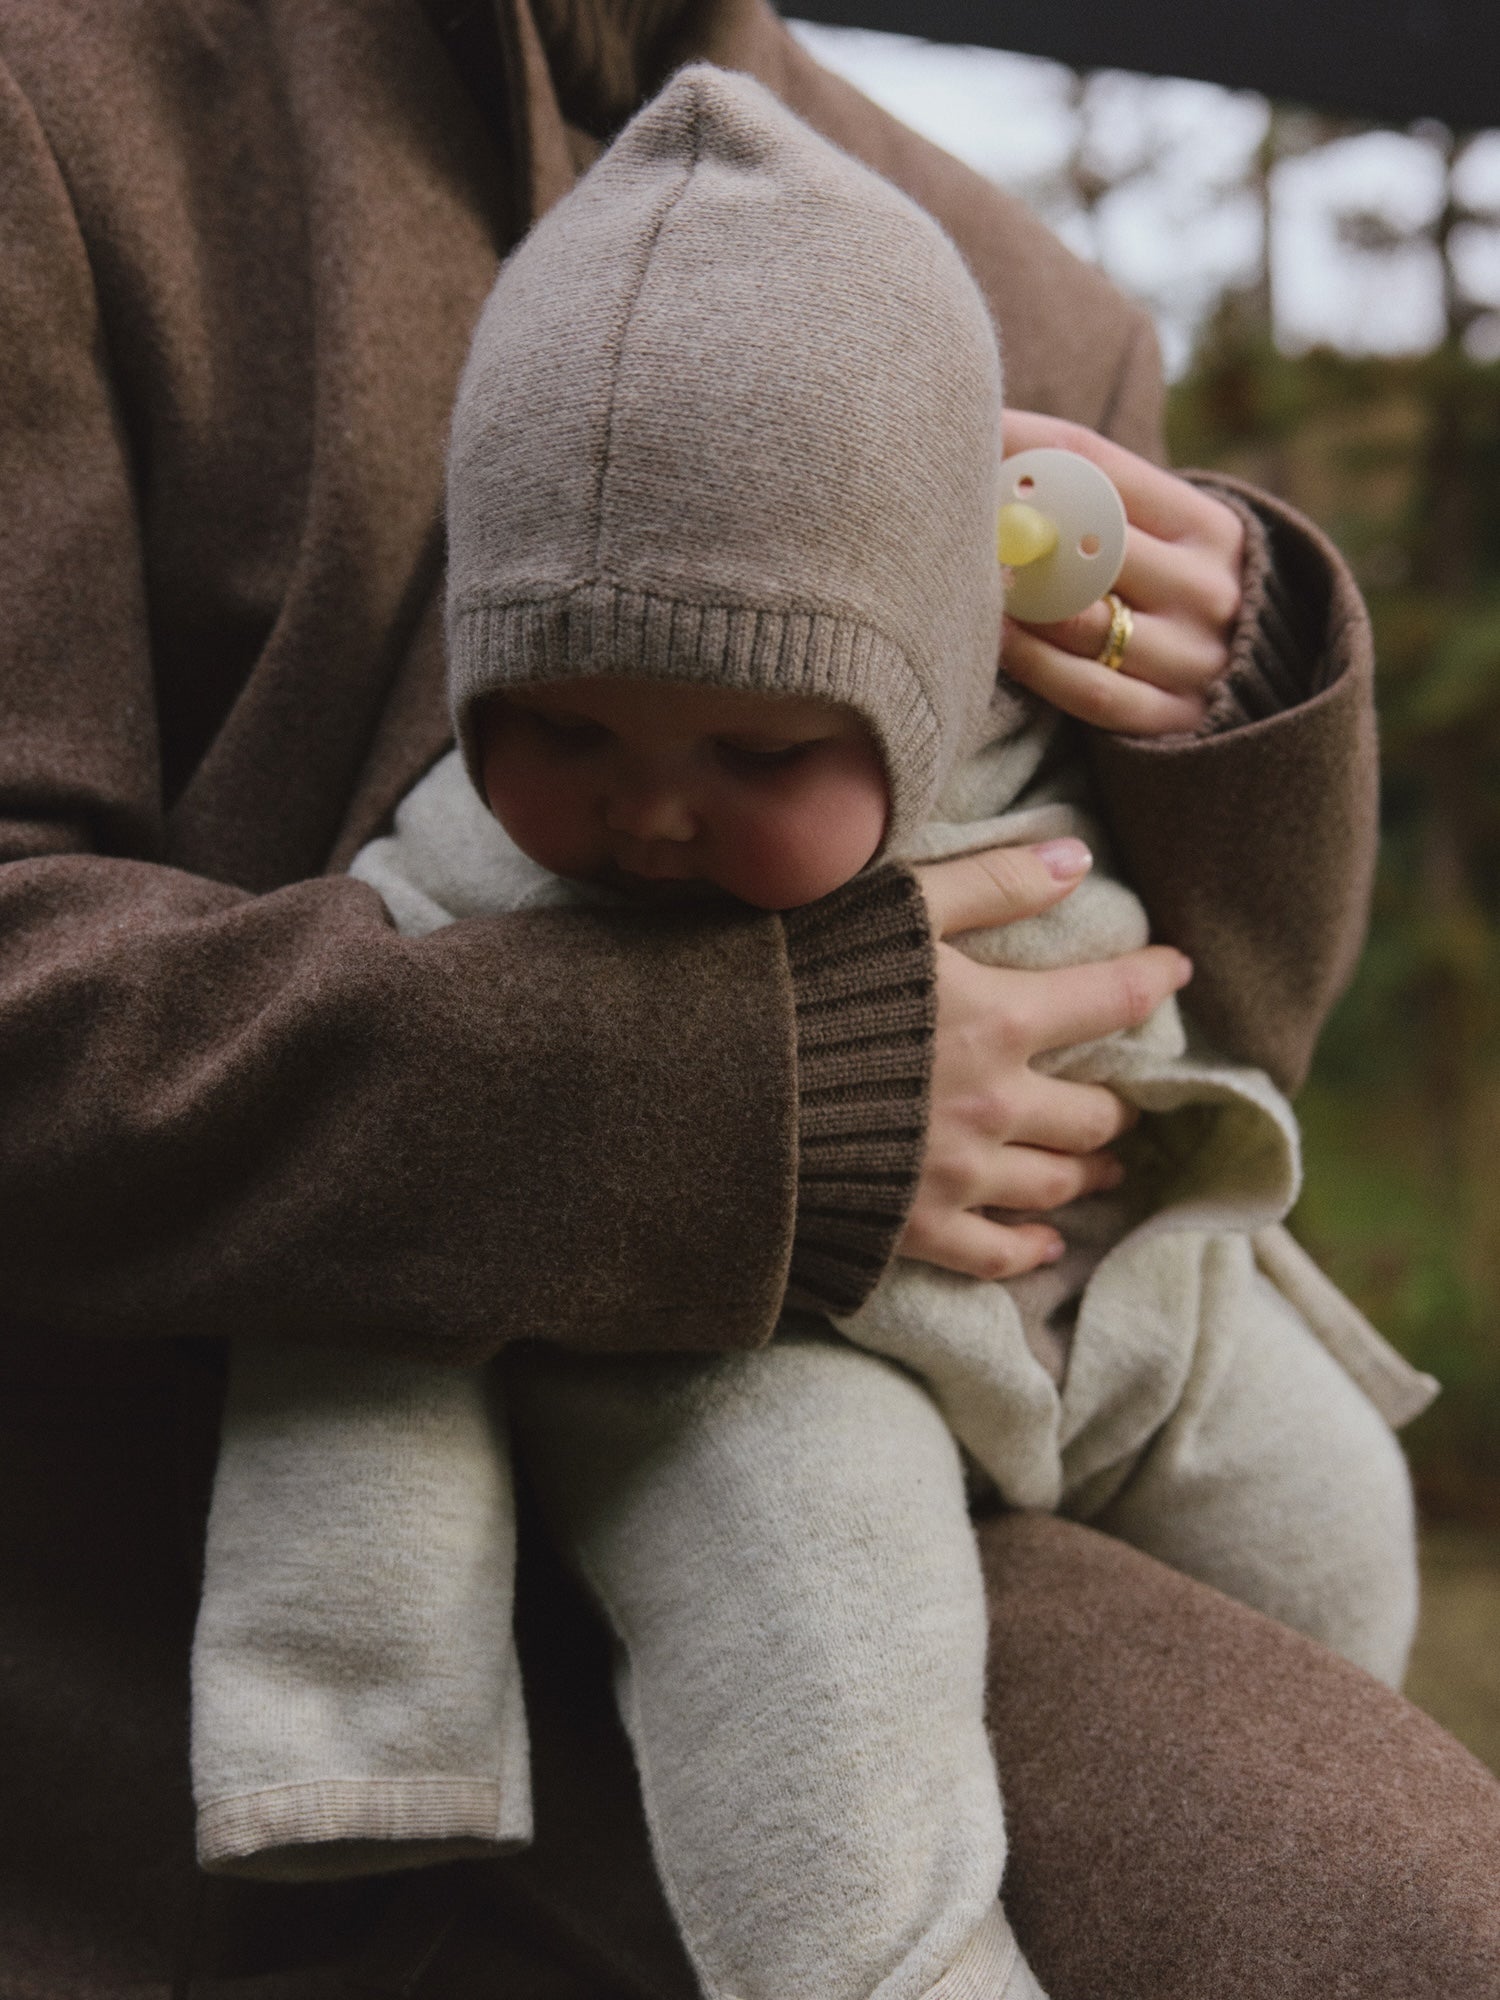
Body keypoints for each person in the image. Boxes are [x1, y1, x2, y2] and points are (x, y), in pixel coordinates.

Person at [2, 2, 1498, 1996]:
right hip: (153, 1611)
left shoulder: (1031, 299)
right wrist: (741, 1086)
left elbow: (1187, 1017)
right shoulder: (66, 97)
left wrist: (1249, 707)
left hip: (961, 1472)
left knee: (1396, 1907)